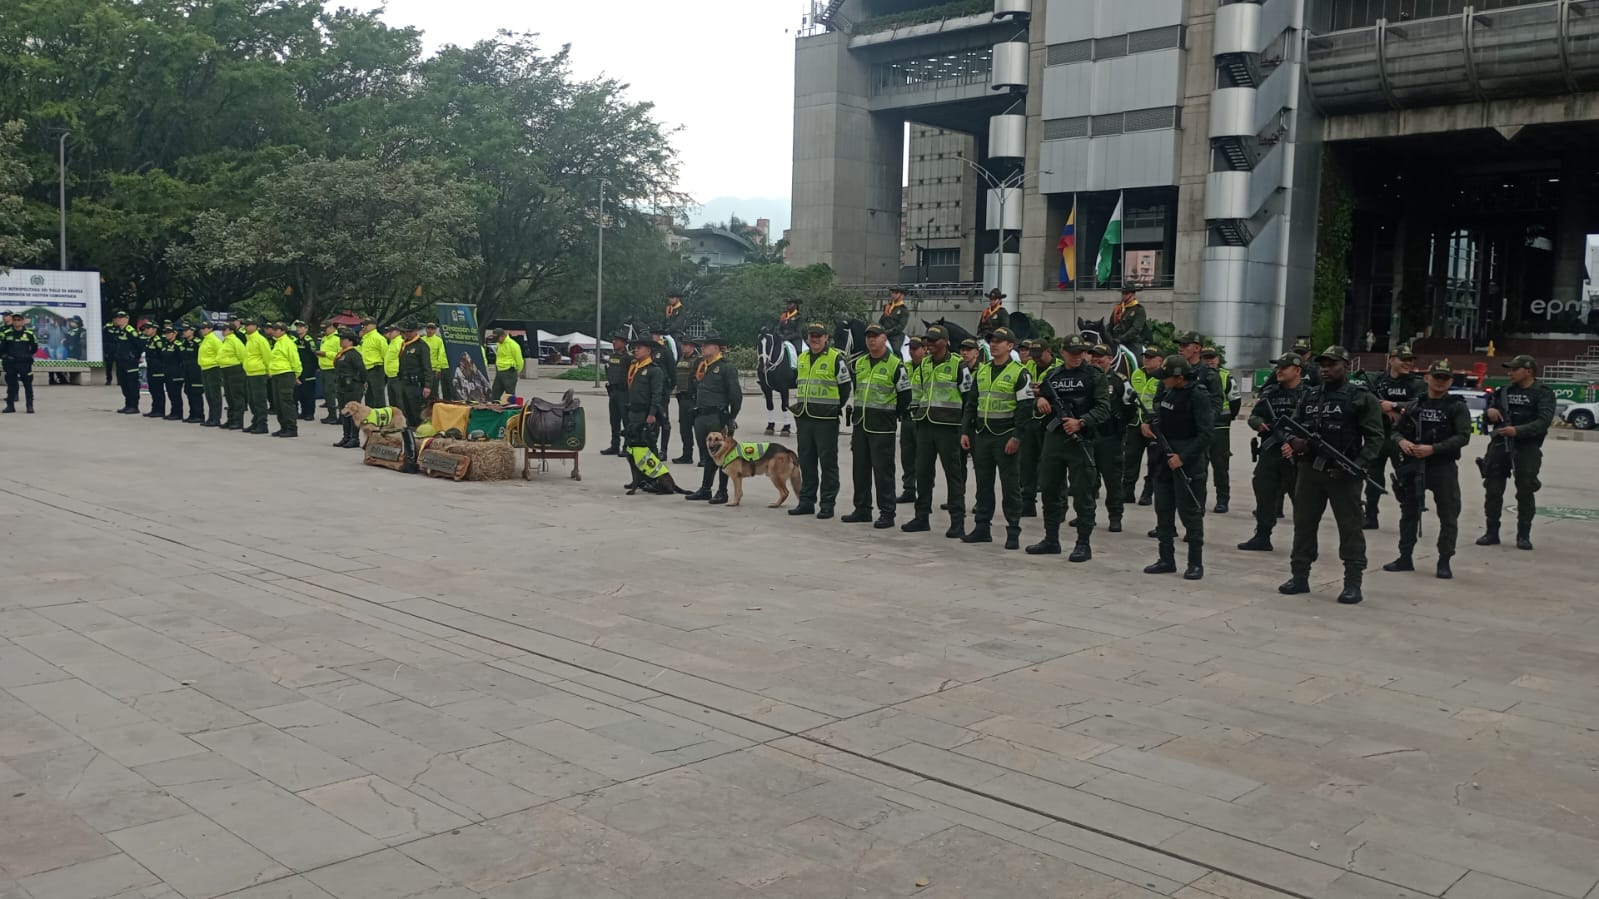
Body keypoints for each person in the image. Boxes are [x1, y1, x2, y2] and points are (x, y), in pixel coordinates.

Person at [1278, 346, 1385, 605]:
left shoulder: (1360, 397)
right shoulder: (1310, 395)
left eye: (1332, 364)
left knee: (1350, 529)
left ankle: (1352, 583)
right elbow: (1290, 425)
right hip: (1309, 471)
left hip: (1343, 475)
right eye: (1322, 365)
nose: (1325, 369)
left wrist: (1355, 466)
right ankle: (1300, 576)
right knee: (1303, 525)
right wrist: (1294, 441)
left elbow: (1375, 438)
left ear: (1346, 366)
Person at [1384, 359, 1471, 579]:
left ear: (1450, 381)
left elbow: (1463, 436)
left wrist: (1434, 449)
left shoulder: (1457, 406)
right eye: (1436, 377)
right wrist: (1402, 442)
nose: (1440, 382)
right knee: (1408, 513)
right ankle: (1405, 557)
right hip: (1413, 465)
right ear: (1427, 378)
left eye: (1445, 378)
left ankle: (1444, 560)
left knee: (1449, 515)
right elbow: (1395, 431)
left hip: (1442, 466)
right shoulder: (1415, 405)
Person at [1026, 334, 1110, 559]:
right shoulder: (1053, 375)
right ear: (1062, 352)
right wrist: (1039, 400)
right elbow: (1040, 398)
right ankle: (1051, 539)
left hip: (1080, 440)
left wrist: (1081, 422)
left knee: (1083, 494)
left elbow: (1104, 408)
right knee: (1049, 489)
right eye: (1072, 353)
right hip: (1054, 439)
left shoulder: (1094, 376)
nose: (1077, 356)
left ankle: (1083, 543)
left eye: (1080, 352)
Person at [1142, 356, 1213, 579]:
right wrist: (1149, 426)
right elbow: (1161, 418)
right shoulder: (1168, 391)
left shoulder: (1197, 395)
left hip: (1187, 463)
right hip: (1163, 458)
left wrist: (1183, 457)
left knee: (1190, 513)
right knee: (1163, 511)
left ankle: (1195, 563)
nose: (1162, 380)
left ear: (1179, 377)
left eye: (1166, 377)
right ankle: (1166, 559)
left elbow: (1205, 434)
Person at [1475, 354, 1556, 550]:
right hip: (1500, 443)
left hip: (1526, 446)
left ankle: (1523, 535)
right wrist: (1489, 413)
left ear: (1529, 371)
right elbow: (1488, 415)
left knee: (1525, 490)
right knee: (1493, 489)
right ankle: (1491, 532)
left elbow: (1543, 421)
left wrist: (1518, 431)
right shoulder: (1503, 392)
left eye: (1515, 369)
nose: (1510, 373)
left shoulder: (1542, 393)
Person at [961, 327, 1032, 550]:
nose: (993, 345)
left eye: (999, 341)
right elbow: (971, 403)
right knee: (983, 484)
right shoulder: (982, 371)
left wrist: (1017, 437)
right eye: (992, 341)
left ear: (1010, 346)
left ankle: (1013, 530)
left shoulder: (1020, 373)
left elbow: (1025, 408)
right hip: (983, 435)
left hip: (1005, 436)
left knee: (1010, 486)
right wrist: (965, 431)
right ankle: (982, 528)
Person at [843, 323, 911, 528]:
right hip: (861, 424)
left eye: (875, 336)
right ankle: (862, 509)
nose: (871, 340)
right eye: (868, 336)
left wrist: (892, 415)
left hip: (882, 427)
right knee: (860, 469)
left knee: (883, 472)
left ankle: (887, 512)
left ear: (884, 339)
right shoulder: (860, 363)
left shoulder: (895, 364)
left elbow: (905, 396)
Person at [904, 326, 970, 536]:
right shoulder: (925, 363)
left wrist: (965, 428)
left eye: (934, 340)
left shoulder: (958, 364)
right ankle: (921, 517)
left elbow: (968, 398)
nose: (929, 344)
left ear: (945, 342)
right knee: (922, 472)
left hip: (948, 427)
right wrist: (915, 412)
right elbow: (918, 391)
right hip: (925, 425)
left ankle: (957, 521)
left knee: (953, 475)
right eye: (928, 341)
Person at [1238, 352, 1308, 552]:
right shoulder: (1270, 393)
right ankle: (1262, 535)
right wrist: (1258, 423)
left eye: (1284, 367)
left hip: (1298, 454)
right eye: (1278, 367)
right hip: (1271, 451)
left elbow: (1312, 424)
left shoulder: (1309, 395)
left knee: (1301, 499)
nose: (1279, 371)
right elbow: (1254, 416)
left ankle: (1304, 541)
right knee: (1264, 491)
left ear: (1297, 370)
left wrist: (1295, 442)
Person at [788, 322, 852, 518]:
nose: (815, 339)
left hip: (826, 420)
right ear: (808, 338)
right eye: (812, 336)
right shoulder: (802, 357)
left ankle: (827, 503)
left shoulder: (835, 358)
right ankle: (807, 501)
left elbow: (845, 388)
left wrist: (834, 407)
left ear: (826, 338)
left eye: (819, 336)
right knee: (806, 462)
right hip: (805, 418)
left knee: (828, 464)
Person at [1364, 344, 1423, 529]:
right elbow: (1364, 399)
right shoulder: (1377, 381)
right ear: (1391, 360)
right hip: (1378, 435)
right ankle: (1370, 516)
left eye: (1410, 360)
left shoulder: (1416, 383)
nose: (1408, 363)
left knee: (1406, 479)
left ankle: (1409, 518)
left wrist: (1395, 406)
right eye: (1403, 360)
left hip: (1402, 437)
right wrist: (1381, 407)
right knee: (1372, 478)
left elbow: (1421, 406)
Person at [685, 331, 742, 504]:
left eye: (706, 345)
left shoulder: (726, 367)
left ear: (716, 348)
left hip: (717, 416)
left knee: (723, 455)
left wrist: (731, 417)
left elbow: (736, 395)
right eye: (702, 345)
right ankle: (705, 489)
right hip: (701, 416)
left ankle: (722, 491)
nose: (702, 348)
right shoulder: (701, 365)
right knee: (707, 454)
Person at [1089, 342, 1131, 533]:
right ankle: (1087, 515)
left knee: (1112, 480)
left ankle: (1115, 516)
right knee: (1088, 479)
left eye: (1100, 356)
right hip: (1089, 435)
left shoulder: (1119, 380)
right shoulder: (1087, 378)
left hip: (1110, 437)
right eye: (1094, 356)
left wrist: (1120, 426)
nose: (1096, 359)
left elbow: (1130, 406)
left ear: (1110, 359)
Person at [1017, 338, 1059, 518]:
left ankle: (1058, 506)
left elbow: (1058, 394)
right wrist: (1038, 394)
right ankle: (1028, 503)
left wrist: (1038, 392)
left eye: (1039, 355)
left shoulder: (1059, 368)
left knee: (1052, 466)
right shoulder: (1028, 367)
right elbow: (1023, 391)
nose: (1035, 359)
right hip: (1030, 420)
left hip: (1051, 423)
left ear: (1049, 351)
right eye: (1033, 356)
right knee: (1026, 464)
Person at [1200, 347, 1242, 513]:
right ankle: (1199, 500)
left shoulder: (1225, 376)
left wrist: (1228, 418)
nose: (1209, 360)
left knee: (1220, 466)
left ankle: (1222, 500)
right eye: (1206, 357)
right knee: (1200, 467)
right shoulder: (1198, 374)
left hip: (1220, 427)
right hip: (1202, 427)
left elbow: (1235, 401)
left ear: (1217, 359)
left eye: (1212, 357)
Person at [623, 335, 667, 491]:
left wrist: (652, 413)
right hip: (633, 412)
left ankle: (655, 479)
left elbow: (656, 394)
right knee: (634, 448)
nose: (636, 350)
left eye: (639, 348)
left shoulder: (654, 370)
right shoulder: (636, 367)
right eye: (635, 348)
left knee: (649, 447)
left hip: (645, 413)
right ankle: (639, 479)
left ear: (648, 351)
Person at [1125, 347, 1163, 505]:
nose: (1146, 359)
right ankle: (1127, 492)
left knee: (1154, 461)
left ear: (1160, 360)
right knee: (1130, 459)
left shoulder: (1163, 377)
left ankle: (1147, 493)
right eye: (1145, 356)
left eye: (1151, 357)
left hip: (1154, 425)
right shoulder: (1137, 374)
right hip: (1136, 423)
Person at [897, 336, 926, 505]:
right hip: (907, 417)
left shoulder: (928, 367)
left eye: (916, 348)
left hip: (922, 418)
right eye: (910, 348)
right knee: (907, 456)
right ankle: (909, 489)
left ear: (924, 349)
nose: (912, 351)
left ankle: (924, 490)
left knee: (923, 458)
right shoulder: (905, 367)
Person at [265, 322, 303, 437]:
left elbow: (295, 361)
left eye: (277, 329)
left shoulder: (288, 343)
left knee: (286, 402)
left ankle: (291, 428)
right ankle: (283, 426)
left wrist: (296, 375)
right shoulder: (278, 343)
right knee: (278, 403)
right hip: (277, 374)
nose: (274, 331)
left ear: (283, 331)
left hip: (286, 374)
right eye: (274, 329)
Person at [394, 322, 434, 431]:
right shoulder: (405, 344)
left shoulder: (421, 346)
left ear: (416, 331)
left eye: (410, 331)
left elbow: (427, 367)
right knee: (407, 409)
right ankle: (411, 430)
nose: (407, 334)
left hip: (416, 383)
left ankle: (420, 430)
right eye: (406, 331)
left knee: (416, 410)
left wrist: (428, 385)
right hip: (405, 382)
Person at [332, 330, 366, 448]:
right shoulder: (342, 353)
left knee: (353, 412)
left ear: (351, 341)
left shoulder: (354, 354)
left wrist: (362, 382)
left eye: (343, 339)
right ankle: (346, 437)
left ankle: (354, 438)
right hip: (342, 385)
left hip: (352, 386)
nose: (341, 341)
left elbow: (362, 370)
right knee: (344, 412)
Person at [649, 324, 678, 459]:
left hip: (662, 391)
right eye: (652, 334)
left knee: (664, 421)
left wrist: (668, 389)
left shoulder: (665, 351)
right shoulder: (649, 351)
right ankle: (652, 447)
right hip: (650, 391)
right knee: (652, 421)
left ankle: (663, 450)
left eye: (655, 334)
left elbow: (672, 372)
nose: (653, 336)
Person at [2, 312, 39, 413]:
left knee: (28, 385)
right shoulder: (7, 333)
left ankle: (29, 406)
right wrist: (6, 357)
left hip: (24, 363)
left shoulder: (29, 334)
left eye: (19, 320)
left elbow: (34, 348)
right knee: (11, 385)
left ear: (23, 321)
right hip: (11, 363)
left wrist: (26, 356)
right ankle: (10, 406)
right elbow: (3, 348)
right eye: (14, 320)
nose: (16, 322)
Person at [599, 332, 629, 456]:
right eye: (614, 340)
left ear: (624, 343)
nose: (614, 342)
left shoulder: (629, 357)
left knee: (626, 420)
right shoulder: (612, 356)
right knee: (614, 420)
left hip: (624, 392)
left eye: (617, 340)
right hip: (613, 391)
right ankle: (614, 445)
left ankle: (627, 446)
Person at [240, 319, 272, 434]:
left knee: (259, 400)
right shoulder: (249, 340)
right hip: (250, 372)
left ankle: (262, 424)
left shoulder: (260, 340)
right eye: (245, 325)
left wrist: (269, 370)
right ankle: (256, 421)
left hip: (259, 373)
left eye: (249, 325)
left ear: (255, 326)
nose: (246, 327)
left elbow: (267, 356)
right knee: (252, 400)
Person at [673, 336, 700, 464]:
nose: (683, 346)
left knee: (698, 429)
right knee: (684, 428)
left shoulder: (697, 360)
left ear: (692, 346)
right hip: (682, 397)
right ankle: (687, 455)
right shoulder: (681, 359)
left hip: (692, 398)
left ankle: (704, 458)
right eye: (682, 344)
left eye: (686, 344)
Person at [219, 320, 247, 429]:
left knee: (236, 396)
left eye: (225, 329)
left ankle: (238, 421)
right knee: (229, 396)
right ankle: (230, 419)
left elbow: (243, 356)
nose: (222, 331)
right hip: (225, 369)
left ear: (231, 330)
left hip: (235, 370)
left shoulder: (236, 341)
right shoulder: (226, 341)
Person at [1108, 287, 1150, 358]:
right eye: (1122, 293)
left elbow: (1136, 328)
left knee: (1137, 360)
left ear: (1132, 294)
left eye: (1126, 293)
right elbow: (1111, 325)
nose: (1123, 295)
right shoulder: (1118, 308)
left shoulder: (1138, 309)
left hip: (1132, 343)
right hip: (1116, 341)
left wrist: (1121, 338)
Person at [197, 321, 223, 427]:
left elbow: (221, 354)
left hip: (213, 369)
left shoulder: (214, 340)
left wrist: (216, 364)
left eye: (204, 328)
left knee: (215, 394)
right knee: (208, 394)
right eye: (201, 328)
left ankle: (216, 418)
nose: (202, 330)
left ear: (210, 329)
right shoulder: (205, 339)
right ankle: (211, 417)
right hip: (205, 368)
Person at [291, 321, 319, 421]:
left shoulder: (309, 340)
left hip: (308, 370)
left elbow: (314, 355)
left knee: (309, 393)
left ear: (306, 329)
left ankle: (310, 413)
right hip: (300, 369)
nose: (298, 329)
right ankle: (304, 412)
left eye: (301, 327)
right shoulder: (296, 341)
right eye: (297, 327)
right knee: (301, 392)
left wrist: (314, 368)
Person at [142, 322, 169, 419]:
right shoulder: (150, 340)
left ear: (154, 329)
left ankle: (160, 410)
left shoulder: (158, 340)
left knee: (158, 390)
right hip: (151, 367)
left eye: (148, 328)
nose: (146, 330)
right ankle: (154, 409)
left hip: (158, 369)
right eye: (145, 328)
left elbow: (163, 354)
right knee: (152, 389)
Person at [177, 322, 204, 422]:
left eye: (186, 330)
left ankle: (199, 415)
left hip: (195, 370)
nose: (183, 332)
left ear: (192, 331)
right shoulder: (183, 342)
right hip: (186, 370)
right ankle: (192, 414)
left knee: (196, 392)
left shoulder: (198, 342)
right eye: (183, 330)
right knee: (188, 391)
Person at [358, 319, 388, 406]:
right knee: (368, 396)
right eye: (364, 325)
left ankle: (382, 413)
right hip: (366, 369)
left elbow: (386, 354)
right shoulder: (364, 338)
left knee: (378, 396)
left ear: (374, 325)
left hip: (376, 369)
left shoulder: (379, 338)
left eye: (367, 324)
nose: (365, 327)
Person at [317, 321, 341, 423]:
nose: (324, 331)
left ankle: (333, 415)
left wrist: (326, 354)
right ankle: (330, 414)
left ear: (331, 328)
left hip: (332, 369)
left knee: (330, 392)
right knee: (326, 393)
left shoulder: (337, 339)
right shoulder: (325, 338)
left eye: (325, 329)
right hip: (324, 368)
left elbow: (340, 354)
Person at [423, 322, 451, 402]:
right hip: (423, 369)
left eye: (432, 329)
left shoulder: (439, 340)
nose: (430, 330)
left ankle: (434, 406)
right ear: (426, 329)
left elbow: (440, 355)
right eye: (428, 328)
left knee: (433, 391)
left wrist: (438, 369)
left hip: (433, 369)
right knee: (423, 390)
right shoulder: (422, 340)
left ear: (435, 330)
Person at [490, 328, 522, 400]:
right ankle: (495, 404)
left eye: (498, 339)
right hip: (499, 371)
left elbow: (519, 360)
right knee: (495, 392)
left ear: (503, 336)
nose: (497, 341)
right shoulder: (499, 344)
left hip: (509, 371)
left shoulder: (513, 345)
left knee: (510, 394)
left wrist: (517, 371)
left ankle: (512, 406)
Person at [879, 286, 910, 354]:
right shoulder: (888, 306)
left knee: (896, 350)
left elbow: (900, 326)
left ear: (902, 295)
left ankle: (900, 360)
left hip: (895, 336)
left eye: (896, 293)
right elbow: (881, 322)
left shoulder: (904, 310)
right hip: (883, 333)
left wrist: (887, 332)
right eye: (893, 292)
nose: (894, 295)